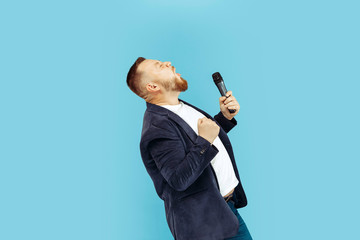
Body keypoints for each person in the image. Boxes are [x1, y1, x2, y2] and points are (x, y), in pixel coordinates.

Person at [126, 57, 252, 240]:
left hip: (225, 211)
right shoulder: (156, 128)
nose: (168, 63)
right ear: (153, 87)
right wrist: (204, 140)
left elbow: (193, 141)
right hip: (205, 226)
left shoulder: (178, 108)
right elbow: (179, 179)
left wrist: (224, 118)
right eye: (160, 66)